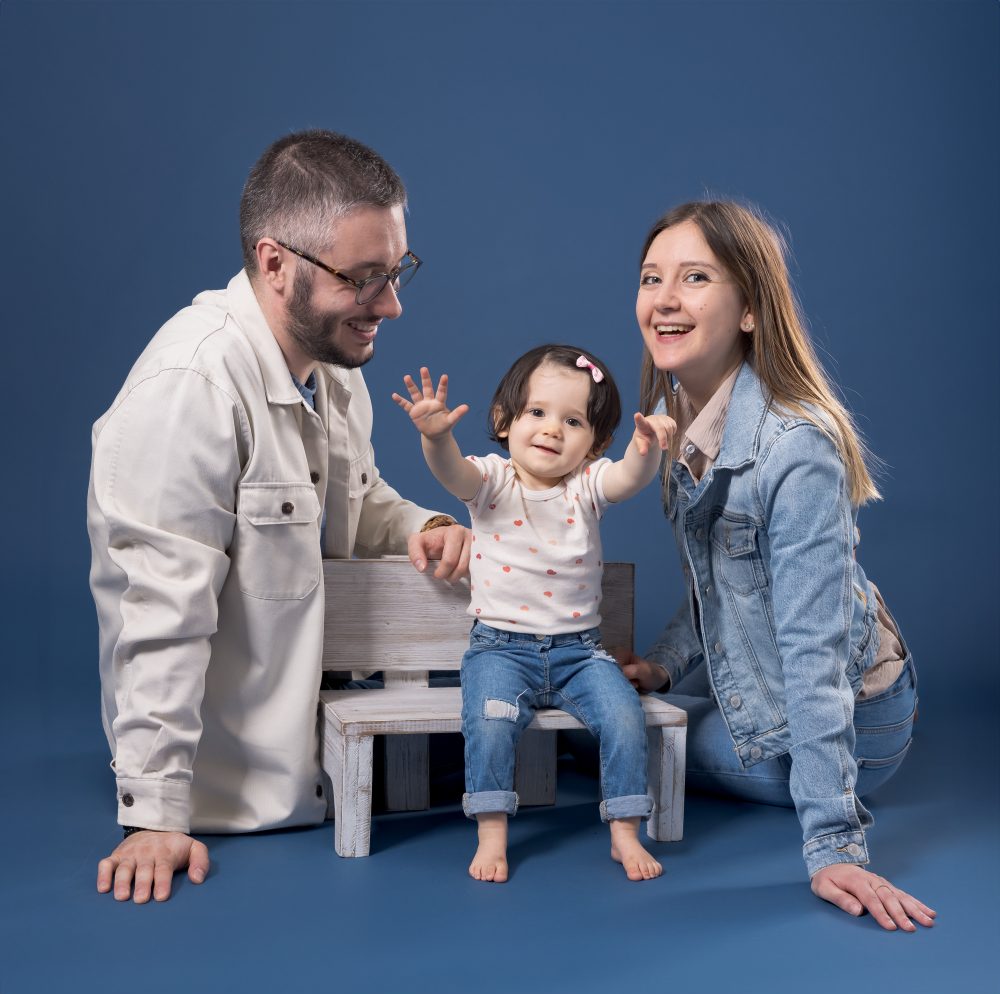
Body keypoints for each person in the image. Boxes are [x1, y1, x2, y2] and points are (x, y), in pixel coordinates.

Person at [88, 130, 470, 904]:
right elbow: (158, 609)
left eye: (396, 272)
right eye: (365, 279)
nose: (391, 305)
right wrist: (155, 817)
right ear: (274, 262)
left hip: (337, 749)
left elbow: (354, 504)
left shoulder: (327, 367)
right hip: (239, 794)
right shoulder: (189, 387)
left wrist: (421, 528)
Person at [619, 200, 936, 930]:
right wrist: (665, 667)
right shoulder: (679, 431)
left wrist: (834, 846)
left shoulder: (798, 450)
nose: (664, 298)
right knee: (617, 712)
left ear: (751, 309)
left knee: (612, 742)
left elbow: (812, 651)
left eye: (695, 277)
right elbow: (722, 589)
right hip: (781, 693)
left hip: (858, 719)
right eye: (650, 277)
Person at [392, 345, 674, 882]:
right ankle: (492, 834)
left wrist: (646, 448)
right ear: (504, 419)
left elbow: (628, 479)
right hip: (501, 649)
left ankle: (624, 831)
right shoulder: (493, 481)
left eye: (573, 421)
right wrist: (435, 437)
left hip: (580, 654)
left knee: (623, 718)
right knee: (490, 724)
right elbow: (452, 474)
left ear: (597, 444)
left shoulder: (588, 489)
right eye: (537, 413)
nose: (552, 430)